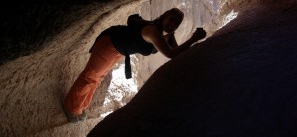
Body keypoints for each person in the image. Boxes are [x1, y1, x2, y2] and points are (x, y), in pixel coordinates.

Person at [62, 8, 206, 122]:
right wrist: (193, 39)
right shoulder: (153, 31)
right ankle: (71, 108)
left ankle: (80, 106)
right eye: (172, 19)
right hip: (110, 44)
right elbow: (170, 54)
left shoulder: (160, 31)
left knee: (97, 78)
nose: (172, 24)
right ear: (165, 15)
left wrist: (182, 37)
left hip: (118, 49)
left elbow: (176, 51)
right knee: (91, 76)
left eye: (176, 23)